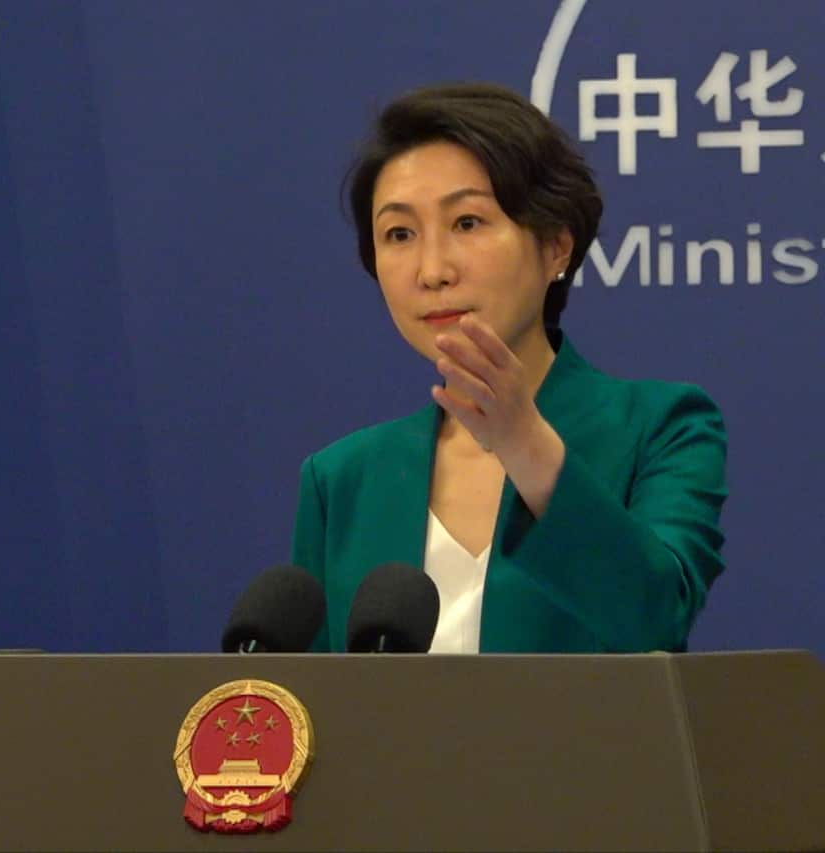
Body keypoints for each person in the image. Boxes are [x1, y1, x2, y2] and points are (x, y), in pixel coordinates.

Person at [292, 83, 727, 653]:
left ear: (555, 246)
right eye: (399, 234)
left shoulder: (661, 428)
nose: (432, 270)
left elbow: (655, 618)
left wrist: (525, 445)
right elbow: (308, 710)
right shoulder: (343, 479)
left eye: (467, 223)